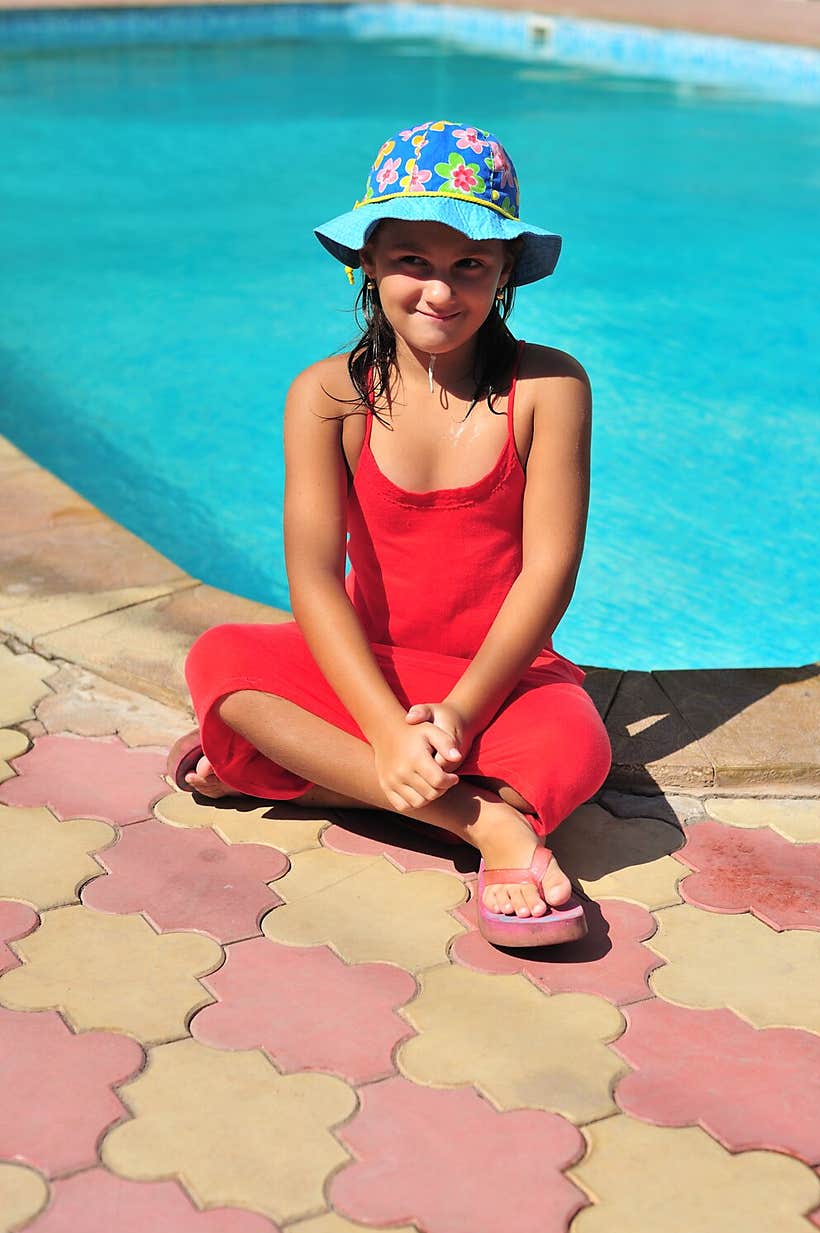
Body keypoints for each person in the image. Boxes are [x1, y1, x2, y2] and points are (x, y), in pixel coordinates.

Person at [168, 118, 612, 949]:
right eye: (413, 261)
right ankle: (486, 826)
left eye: (469, 265)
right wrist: (384, 727)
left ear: (506, 270)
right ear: (368, 262)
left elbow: (548, 570)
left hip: (501, 677)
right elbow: (313, 580)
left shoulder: (550, 386)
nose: (439, 291)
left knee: (574, 745)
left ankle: (297, 774)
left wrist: (461, 713)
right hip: (371, 669)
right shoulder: (326, 397)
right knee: (220, 659)